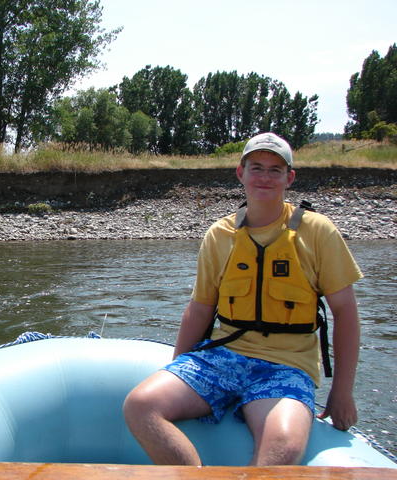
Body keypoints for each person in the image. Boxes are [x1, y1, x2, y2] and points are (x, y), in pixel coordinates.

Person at [123, 132, 362, 466]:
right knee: (140, 405)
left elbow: (345, 312)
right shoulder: (220, 235)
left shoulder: (318, 231)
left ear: (289, 178)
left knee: (281, 449)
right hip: (223, 358)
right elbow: (200, 309)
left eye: (275, 170)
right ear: (241, 172)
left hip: (287, 368)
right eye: (256, 167)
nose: (264, 177)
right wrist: (177, 366)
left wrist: (341, 392)